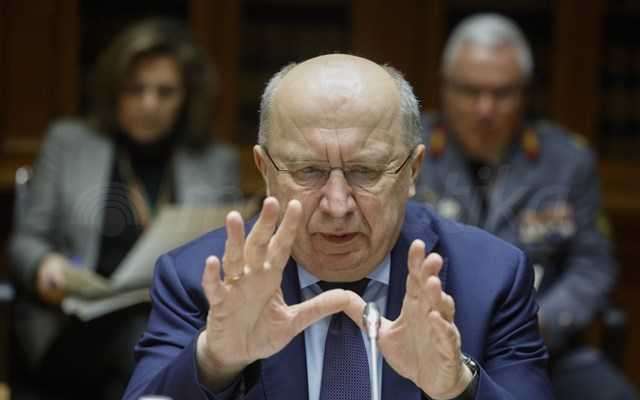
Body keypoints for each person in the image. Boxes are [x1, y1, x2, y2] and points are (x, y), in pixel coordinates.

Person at [122, 53, 553, 400]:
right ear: (265, 170)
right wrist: (214, 361)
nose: (337, 204)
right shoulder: (199, 279)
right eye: (308, 170)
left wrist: (459, 387)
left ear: (412, 171)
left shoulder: (490, 278)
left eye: (365, 171)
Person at [8, 18, 241, 400]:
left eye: (165, 92)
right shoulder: (69, 144)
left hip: (178, 318)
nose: (149, 104)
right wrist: (44, 265)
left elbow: (227, 252)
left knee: (160, 343)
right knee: (142, 345)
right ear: (113, 91)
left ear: (187, 98)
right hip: (75, 321)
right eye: (136, 90)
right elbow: (25, 242)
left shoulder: (216, 162)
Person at [416, 13, 638, 400]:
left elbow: (592, 267)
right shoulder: (409, 152)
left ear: (524, 93)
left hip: (541, 343)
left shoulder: (567, 161)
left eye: (502, 93)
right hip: (430, 343)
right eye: (470, 91)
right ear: (445, 87)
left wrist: (530, 324)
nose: (485, 108)